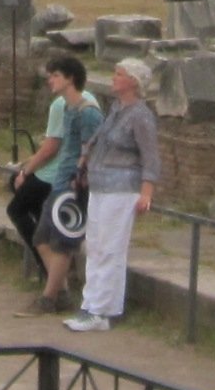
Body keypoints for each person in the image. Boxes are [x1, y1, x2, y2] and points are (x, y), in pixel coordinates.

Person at [65, 60, 161, 334]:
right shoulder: (116, 109)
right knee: (95, 245)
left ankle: (102, 310)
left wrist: (146, 191)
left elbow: (151, 156)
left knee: (110, 248)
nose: (113, 78)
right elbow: (98, 141)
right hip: (100, 184)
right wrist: (84, 165)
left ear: (133, 81)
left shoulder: (141, 116)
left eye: (119, 74)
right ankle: (90, 303)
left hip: (122, 188)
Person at [11, 54, 101, 316]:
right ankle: (60, 292)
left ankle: (49, 298)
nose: (50, 80)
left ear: (70, 78)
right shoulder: (69, 109)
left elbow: (92, 150)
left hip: (73, 185)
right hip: (61, 181)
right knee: (42, 238)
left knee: (62, 242)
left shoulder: (87, 112)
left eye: (55, 75)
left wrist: (79, 179)